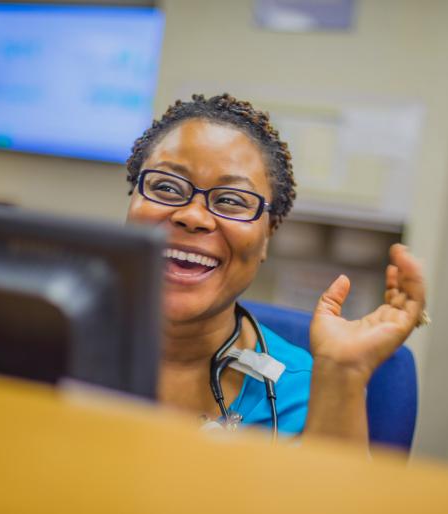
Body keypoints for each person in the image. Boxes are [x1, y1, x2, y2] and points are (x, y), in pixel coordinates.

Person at [126, 93, 426, 444]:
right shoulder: (56, 340)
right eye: (165, 187)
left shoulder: (304, 392)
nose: (192, 216)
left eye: (231, 200)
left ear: (267, 237)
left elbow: (332, 500)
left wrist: (342, 374)